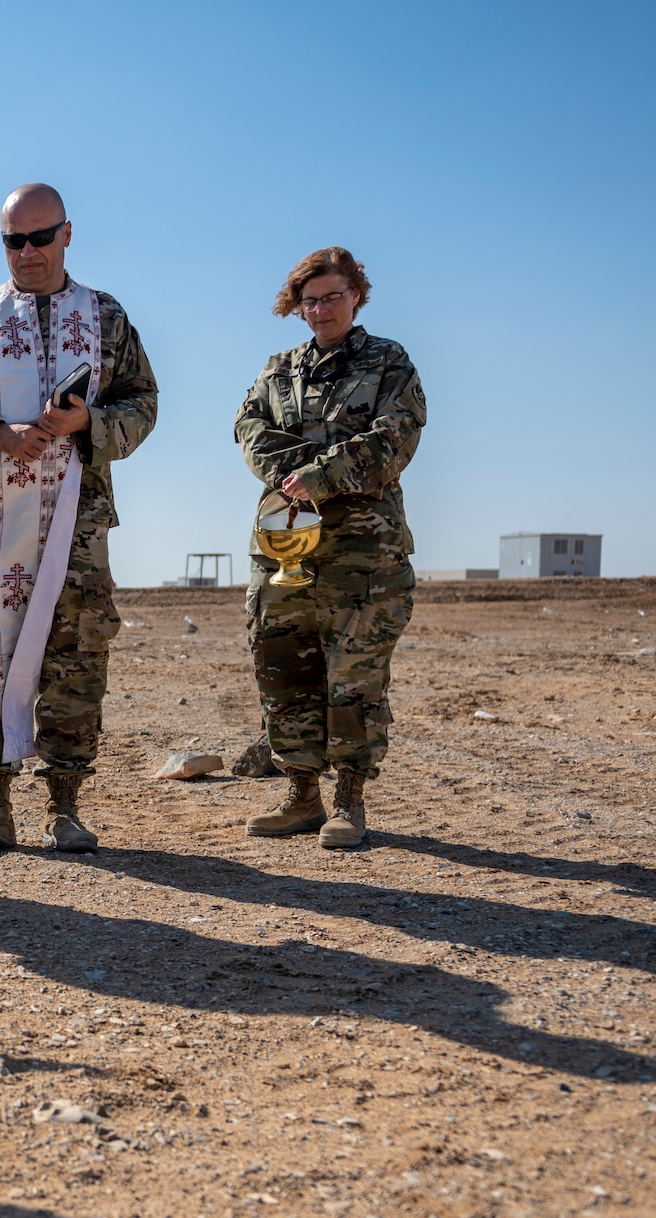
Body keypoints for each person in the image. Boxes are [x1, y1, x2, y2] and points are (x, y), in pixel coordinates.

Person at [0, 183, 158, 856]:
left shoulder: (104, 317)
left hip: (76, 520)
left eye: (40, 237)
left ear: (68, 234)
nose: (27, 252)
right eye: (12, 241)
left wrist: (91, 423)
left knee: (76, 659)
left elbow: (143, 402)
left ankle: (65, 806)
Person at [233, 247, 425, 848]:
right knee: (283, 670)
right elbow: (249, 430)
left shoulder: (388, 362)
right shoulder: (278, 369)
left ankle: (350, 799)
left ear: (356, 296)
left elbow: (393, 439)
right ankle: (300, 794)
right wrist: (296, 474)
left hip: (363, 554)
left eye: (333, 296)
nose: (321, 309)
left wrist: (320, 475)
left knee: (354, 678)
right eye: (310, 300)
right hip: (285, 547)